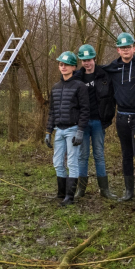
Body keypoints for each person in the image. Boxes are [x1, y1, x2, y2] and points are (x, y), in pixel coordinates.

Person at [102, 33, 135, 203]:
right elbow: (93, 72)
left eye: (128, 47)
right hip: (121, 117)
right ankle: (129, 191)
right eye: (122, 48)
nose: (125, 50)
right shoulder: (112, 68)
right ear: (118, 50)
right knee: (126, 154)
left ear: (134, 48)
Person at [72, 44, 117, 200]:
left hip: (98, 122)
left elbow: (112, 97)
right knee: (82, 156)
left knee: (99, 155)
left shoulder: (104, 75)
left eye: (89, 59)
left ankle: (105, 190)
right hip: (82, 123)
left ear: (95, 59)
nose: (87, 63)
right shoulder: (76, 77)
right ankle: (81, 189)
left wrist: (108, 116)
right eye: (84, 60)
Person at [45, 51, 89, 206]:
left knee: (72, 162)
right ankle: (61, 193)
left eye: (67, 64)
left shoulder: (80, 86)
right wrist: (48, 131)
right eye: (61, 64)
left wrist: (80, 131)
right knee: (57, 162)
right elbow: (52, 111)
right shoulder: (55, 87)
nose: (63, 67)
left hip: (73, 129)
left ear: (73, 67)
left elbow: (85, 110)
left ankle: (70, 197)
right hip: (59, 130)